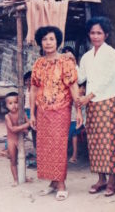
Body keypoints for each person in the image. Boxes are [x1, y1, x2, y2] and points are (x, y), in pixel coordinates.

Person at [30, 26, 82, 201]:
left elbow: (74, 87)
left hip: (61, 109)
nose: (48, 42)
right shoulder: (38, 63)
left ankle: (61, 184)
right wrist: (32, 114)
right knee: (45, 146)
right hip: (42, 110)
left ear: (57, 41)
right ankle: (52, 182)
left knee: (59, 146)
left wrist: (79, 110)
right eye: (44, 39)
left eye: (51, 39)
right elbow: (33, 89)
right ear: (41, 42)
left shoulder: (66, 61)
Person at [78, 16, 115, 197]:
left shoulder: (111, 53)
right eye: (93, 33)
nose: (95, 36)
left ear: (106, 34)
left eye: (99, 33)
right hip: (92, 104)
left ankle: (112, 182)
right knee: (94, 141)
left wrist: (88, 96)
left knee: (109, 141)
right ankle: (100, 179)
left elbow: (107, 79)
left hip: (108, 101)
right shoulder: (87, 56)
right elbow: (80, 78)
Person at [4, 92, 31, 187]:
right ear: (6, 105)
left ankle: (23, 176)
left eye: (16, 102)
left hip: (20, 140)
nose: (13, 105)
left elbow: (29, 125)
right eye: (10, 103)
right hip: (11, 141)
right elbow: (13, 129)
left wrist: (26, 128)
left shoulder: (22, 113)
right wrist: (24, 126)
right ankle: (15, 179)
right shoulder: (7, 116)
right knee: (13, 160)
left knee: (23, 159)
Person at [68, 82, 87, 164]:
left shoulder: (84, 98)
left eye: (84, 88)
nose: (82, 90)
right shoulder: (71, 98)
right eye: (80, 88)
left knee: (74, 132)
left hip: (81, 122)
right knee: (71, 130)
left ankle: (75, 154)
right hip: (72, 121)